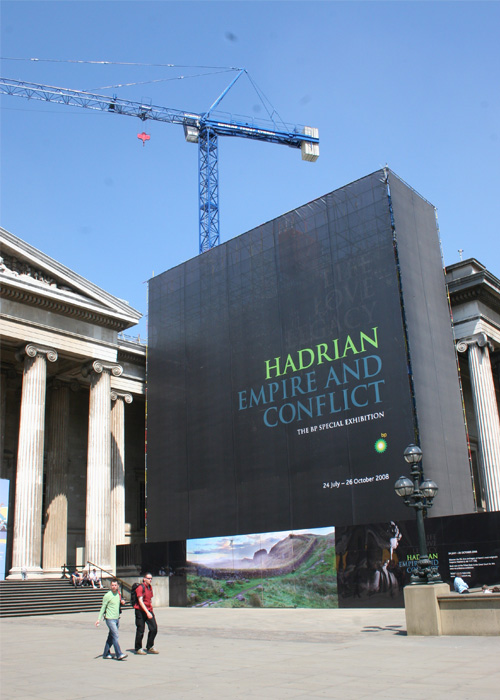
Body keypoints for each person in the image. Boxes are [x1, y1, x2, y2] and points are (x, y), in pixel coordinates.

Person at [95, 579, 127, 660]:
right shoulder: (107, 595)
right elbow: (103, 607)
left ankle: (105, 653)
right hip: (109, 619)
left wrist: (122, 602)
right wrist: (99, 619)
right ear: (110, 586)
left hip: (117, 618)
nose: (114, 587)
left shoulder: (118, 594)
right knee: (115, 635)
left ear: (118, 586)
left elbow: (118, 602)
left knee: (111, 637)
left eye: (115, 585)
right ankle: (119, 654)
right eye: (112, 585)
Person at [134, 573, 159, 655]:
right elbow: (140, 601)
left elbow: (149, 599)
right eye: (148, 578)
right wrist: (147, 612)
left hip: (149, 610)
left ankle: (150, 646)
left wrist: (150, 610)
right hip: (140, 611)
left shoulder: (150, 587)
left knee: (154, 628)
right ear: (144, 579)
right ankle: (138, 648)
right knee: (140, 630)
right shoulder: (140, 587)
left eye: (151, 578)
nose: (150, 580)